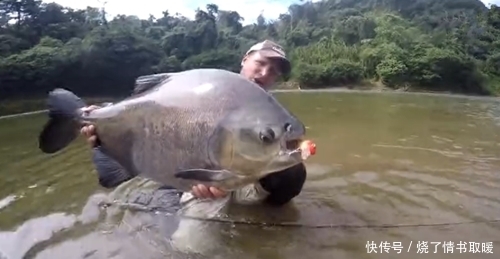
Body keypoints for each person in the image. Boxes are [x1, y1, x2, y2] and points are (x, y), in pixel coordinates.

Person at [80, 39, 307, 207]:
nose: (265, 73)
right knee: (188, 244)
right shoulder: (206, 88)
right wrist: (105, 125)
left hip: (239, 178)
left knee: (294, 171)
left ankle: (268, 214)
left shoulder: (269, 110)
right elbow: (147, 108)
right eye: (261, 63)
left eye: (273, 72)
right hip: (191, 180)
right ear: (245, 59)